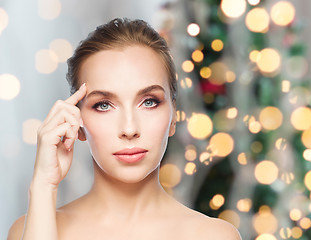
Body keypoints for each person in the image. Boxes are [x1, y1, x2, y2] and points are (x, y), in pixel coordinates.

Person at [7, 18, 242, 240]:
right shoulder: (31, 229)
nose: (129, 129)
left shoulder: (215, 236)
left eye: (149, 101)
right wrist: (43, 186)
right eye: (103, 105)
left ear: (173, 118)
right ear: (76, 122)